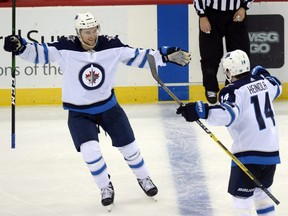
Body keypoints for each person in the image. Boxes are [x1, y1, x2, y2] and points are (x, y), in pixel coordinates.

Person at [3, 12, 190, 210]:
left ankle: (144, 179)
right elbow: (39, 52)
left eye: (93, 31)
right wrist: (21, 46)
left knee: (130, 148)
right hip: (79, 113)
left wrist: (164, 55)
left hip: (109, 108)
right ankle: (105, 187)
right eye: (86, 32)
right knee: (90, 152)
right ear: (78, 32)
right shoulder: (65, 48)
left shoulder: (111, 46)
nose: (91, 36)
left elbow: (139, 56)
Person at [177, 50, 281, 216]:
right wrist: (261, 70)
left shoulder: (232, 90)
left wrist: (201, 110)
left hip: (248, 154)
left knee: (241, 201)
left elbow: (228, 114)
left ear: (229, 71)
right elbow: (277, 84)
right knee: (262, 195)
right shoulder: (265, 83)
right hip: (271, 152)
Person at [193, 0, 253, 104]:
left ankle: (234, 87)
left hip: (236, 12)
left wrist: (244, 7)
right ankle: (210, 87)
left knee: (240, 54)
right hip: (211, 14)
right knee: (210, 54)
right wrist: (202, 15)